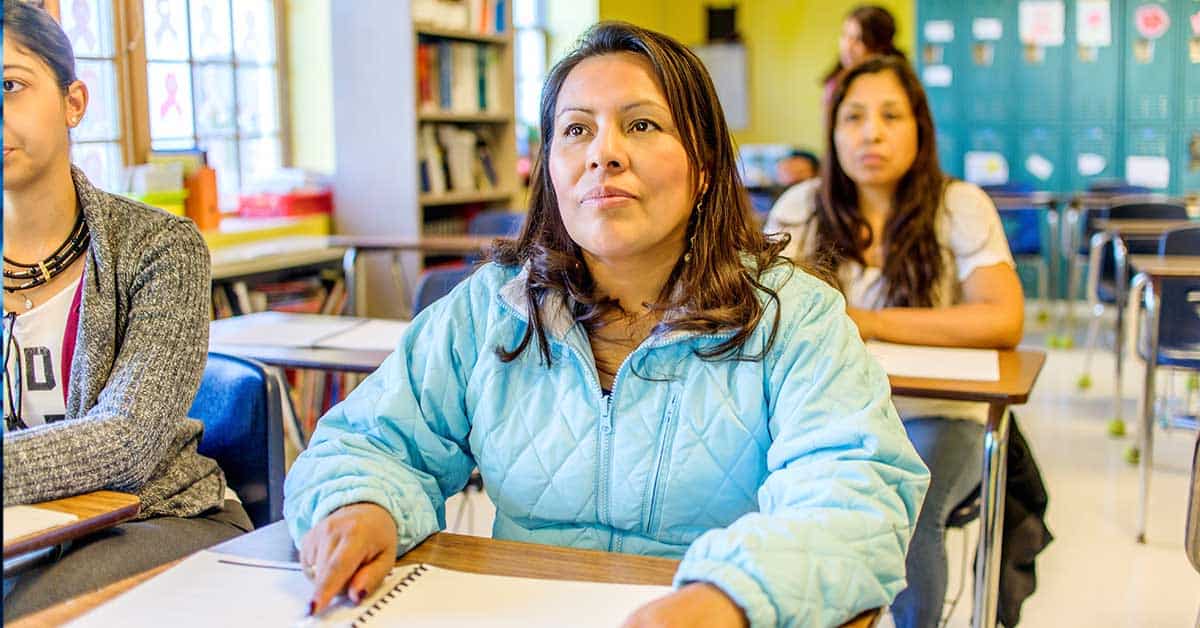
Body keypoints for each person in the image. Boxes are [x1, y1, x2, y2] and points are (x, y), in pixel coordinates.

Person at [284, 21, 929, 628]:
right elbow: (370, 442)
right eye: (575, 130)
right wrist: (359, 502)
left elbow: (855, 494)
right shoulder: (492, 309)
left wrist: (731, 597)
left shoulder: (795, 317)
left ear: (703, 168)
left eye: (642, 124)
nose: (604, 154)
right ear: (550, 172)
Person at [2, 1, 249, 618]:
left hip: (157, 516)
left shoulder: (161, 248)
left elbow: (127, 443)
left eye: (10, 85)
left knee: (33, 610)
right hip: (23, 528)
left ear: (73, 102)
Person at [766, 55, 1025, 628]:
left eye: (890, 116)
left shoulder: (960, 205)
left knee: (906, 504)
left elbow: (1001, 319)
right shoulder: (801, 208)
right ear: (833, 133)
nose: (871, 133)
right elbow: (766, 309)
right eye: (853, 117)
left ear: (919, 129)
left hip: (938, 413)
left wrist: (871, 320)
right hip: (823, 412)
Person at [821, 5, 905, 107]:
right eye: (845, 35)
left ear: (880, 47)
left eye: (859, 39)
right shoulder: (834, 85)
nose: (848, 46)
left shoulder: (898, 85)